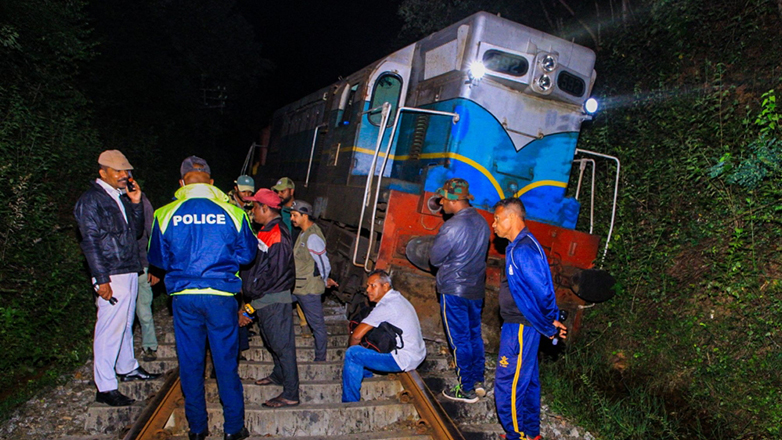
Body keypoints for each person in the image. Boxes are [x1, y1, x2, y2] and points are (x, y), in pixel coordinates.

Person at [147, 156, 256, 440]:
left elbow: (157, 258)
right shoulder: (234, 212)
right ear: (210, 181)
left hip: (184, 297)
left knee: (191, 363)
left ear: (181, 182)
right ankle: (233, 429)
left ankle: (197, 429)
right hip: (220, 296)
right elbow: (248, 254)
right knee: (225, 363)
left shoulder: (164, 213)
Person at [74, 150, 160, 407]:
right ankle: (105, 385)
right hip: (111, 271)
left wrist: (135, 203)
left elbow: (133, 233)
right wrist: (101, 278)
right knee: (109, 327)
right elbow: (89, 242)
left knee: (124, 323)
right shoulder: (91, 201)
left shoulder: (118, 197)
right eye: (119, 172)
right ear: (103, 173)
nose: (125, 176)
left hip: (128, 267)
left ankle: (127, 366)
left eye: (127, 171)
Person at [491, 197, 568, 440]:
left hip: (521, 327)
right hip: (523, 325)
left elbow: (543, 290)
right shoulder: (518, 246)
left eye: (497, 218)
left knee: (508, 383)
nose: (493, 224)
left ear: (512, 217)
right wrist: (549, 321)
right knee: (528, 382)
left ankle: (517, 435)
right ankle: (530, 432)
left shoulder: (523, 249)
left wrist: (549, 321)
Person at [429, 177, 491, 403]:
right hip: (476, 290)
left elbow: (435, 259)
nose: (441, 203)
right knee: (474, 335)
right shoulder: (482, 222)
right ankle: (477, 381)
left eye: (443, 198)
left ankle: (465, 389)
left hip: (454, 290)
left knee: (459, 340)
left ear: (453, 200)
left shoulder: (452, 226)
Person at [240, 189, 300, 408]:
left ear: (265, 208)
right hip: (266, 297)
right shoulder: (268, 230)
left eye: (255, 207)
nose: (253, 211)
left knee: (284, 347)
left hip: (273, 298)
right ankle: (278, 374)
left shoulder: (277, 234)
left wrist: (252, 299)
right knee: (272, 341)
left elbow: (275, 273)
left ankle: (291, 393)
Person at [342, 269, 426, 403]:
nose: (368, 290)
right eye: (368, 286)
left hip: (403, 359)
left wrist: (349, 350)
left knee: (353, 354)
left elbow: (357, 335)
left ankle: (349, 402)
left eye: (373, 286)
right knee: (368, 340)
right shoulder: (397, 298)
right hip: (417, 353)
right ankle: (364, 372)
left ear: (385, 286)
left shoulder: (387, 306)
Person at [289, 200, 338, 362]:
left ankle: (320, 358)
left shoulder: (313, 237)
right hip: (298, 286)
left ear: (305, 216)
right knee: (277, 304)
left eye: (295, 215)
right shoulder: (304, 232)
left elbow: (324, 263)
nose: (292, 218)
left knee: (317, 325)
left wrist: (324, 280)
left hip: (309, 288)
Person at [136, 192, 158, 361]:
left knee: (143, 308)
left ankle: (149, 345)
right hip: (116, 268)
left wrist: (155, 267)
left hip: (141, 263)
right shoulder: (103, 199)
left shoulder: (141, 200)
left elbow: (152, 233)